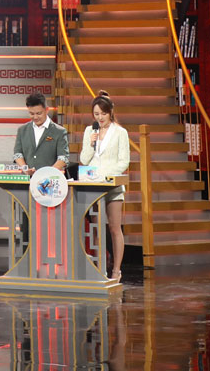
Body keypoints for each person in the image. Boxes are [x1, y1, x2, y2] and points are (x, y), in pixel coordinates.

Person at [80, 91, 130, 283]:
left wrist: (105, 175)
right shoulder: (89, 131)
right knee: (97, 228)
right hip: (94, 187)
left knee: (115, 228)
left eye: (103, 113)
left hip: (112, 186)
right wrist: (90, 143)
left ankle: (116, 270)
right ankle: (100, 268)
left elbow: (123, 162)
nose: (100, 118)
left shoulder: (120, 132)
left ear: (110, 113)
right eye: (96, 114)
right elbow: (84, 159)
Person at [13, 92, 68, 172]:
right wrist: (25, 169)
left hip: (50, 178)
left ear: (46, 110)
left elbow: (63, 158)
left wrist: (47, 173)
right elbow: (17, 154)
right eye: (32, 113)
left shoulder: (59, 132)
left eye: (39, 113)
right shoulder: (22, 130)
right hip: (27, 178)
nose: (35, 117)